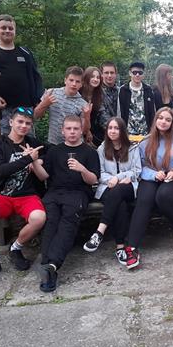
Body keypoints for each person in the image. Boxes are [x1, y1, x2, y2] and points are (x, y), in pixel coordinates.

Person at [0, 107, 46, 285]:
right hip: (4, 195)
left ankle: (16, 248)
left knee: (39, 218)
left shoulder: (34, 143)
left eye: (27, 123)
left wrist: (40, 160)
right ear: (11, 122)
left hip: (27, 195)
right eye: (20, 122)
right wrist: (28, 159)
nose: (23, 126)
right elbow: (0, 171)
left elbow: (52, 152)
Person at [123, 107, 173, 270]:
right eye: (161, 118)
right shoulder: (146, 141)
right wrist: (153, 175)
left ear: (172, 123)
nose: (163, 122)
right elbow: (140, 166)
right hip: (154, 176)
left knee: (163, 196)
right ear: (155, 120)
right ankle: (132, 247)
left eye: (168, 119)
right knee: (144, 199)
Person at [36, 116, 100, 292]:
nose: (72, 132)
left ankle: (52, 265)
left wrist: (82, 169)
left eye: (76, 129)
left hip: (78, 193)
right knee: (50, 221)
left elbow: (93, 180)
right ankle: (47, 266)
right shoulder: (54, 151)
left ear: (81, 131)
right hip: (54, 192)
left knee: (68, 222)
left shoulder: (90, 152)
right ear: (62, 131)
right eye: (69, 129)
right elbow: (43, 176)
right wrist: (33, 162)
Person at [84, 117, 141, 265]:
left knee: (118, 192)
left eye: (116, 128)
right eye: (110, 128)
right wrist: (111, 180)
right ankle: (120, 247)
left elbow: (137, 171)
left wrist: (119, 177)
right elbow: (100, 172)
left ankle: (99, 232)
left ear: (122, 131)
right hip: (107, 186)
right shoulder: (102, 149)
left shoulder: (133, 148)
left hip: (128, 186)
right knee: (120, 205)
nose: (113, 131)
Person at [0, 14, 44, 134]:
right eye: (3, 28)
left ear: (15, 31)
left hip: (25, 108)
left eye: (10, 28)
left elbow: (36, 77)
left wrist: (38, 100)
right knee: (5, 142)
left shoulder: (24, 52)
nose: (7, 31)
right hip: (4, 110)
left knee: (28, 142)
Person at [34, 66, 90, 145]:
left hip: (73, 145)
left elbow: (84, 131)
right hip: (53, 143)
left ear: (81, 84)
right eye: (71, 80)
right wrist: (44, 104)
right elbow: (35, 115)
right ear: (65, 80)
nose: (74, 84)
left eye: (77, 81)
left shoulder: (83, 104)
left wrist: (87, 116)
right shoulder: (52, 93)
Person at [117, 61, 156, 136]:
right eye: (134, 72)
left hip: (146, 133)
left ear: (143, 74)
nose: (137, 75)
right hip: (128, 133)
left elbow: (153, 112)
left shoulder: (148, 89)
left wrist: (152, 131)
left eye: (140, 73)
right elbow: (119, 113)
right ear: (130, 73)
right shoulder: (123, 90)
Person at [81, 66, 105, 145]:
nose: (95, 79)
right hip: (79, 127)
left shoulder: (100, 94)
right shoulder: (79, 92)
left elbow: (102, 114)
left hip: (94, 129)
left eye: (98, 77)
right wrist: (87, 131)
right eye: (92, 77)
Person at [99, 61, 119, 128]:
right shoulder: (97, 92)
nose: (109, 75)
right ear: (101, 74)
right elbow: (102, 115)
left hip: (120, 129)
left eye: (112, 73)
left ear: (116, 74)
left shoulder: (121, 92)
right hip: (101, 131)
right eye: (106, 73)